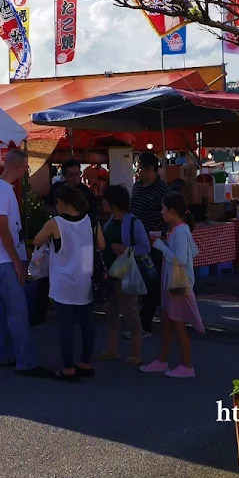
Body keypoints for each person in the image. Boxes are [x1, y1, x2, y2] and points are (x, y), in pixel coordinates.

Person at [0, 148, 48, 378]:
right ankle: (26, 361)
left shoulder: (1, 189)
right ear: (18, 167)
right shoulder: (2, 191)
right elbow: (2, 227)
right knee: (17, 310)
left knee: (5, 309)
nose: (26, 172)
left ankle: (4, 354)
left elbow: (6, 228)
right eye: (25, 168)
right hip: (5, 259)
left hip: (2, 258)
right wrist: (17, 261)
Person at [32, 184, 104, 381]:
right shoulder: (91, 221)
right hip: (86, 279)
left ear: (61, 203)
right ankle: (85, 362)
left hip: (63, 282)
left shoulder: (55, 223)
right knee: (87, 324)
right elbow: (102, 245)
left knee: (66, 326)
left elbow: (37, 241)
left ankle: (68, 368)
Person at [140, 192, 204, 378]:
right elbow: (190, 253)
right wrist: (165, 244)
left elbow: (182, 259)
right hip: (173, 284)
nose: (161, 212)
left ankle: (187, 365)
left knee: (177, 325)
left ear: (172, 211)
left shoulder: (181, 231)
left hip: (178, 285)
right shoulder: (179, 230)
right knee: (168, 323)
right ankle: (162, 360)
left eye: (163, 208)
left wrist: (161, 246)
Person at [95, 183, 150, 366]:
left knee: (130, 313)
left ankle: (136, 352)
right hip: (110, 274)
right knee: (110, 313)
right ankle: (112, 350)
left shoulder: (133, 222)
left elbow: (145, 247)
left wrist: (126, 249)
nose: (102, 203)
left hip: (126, 274)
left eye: (105, 200)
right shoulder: (111, 220)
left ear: (113, 203)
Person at [131, 151, 167, 333]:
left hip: (153, 242)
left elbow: (168, 215)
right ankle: (137, 320)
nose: (138, 172)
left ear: (151, 169)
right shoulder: (137, 187)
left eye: (140, 169)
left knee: (152, 282)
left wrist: (160, 234)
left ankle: (145, 322)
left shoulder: (162, 190)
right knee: (136, 281)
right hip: (135, 242)